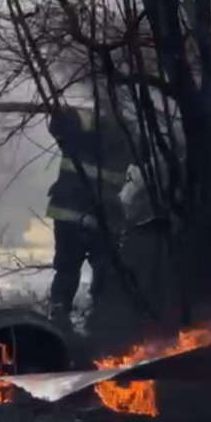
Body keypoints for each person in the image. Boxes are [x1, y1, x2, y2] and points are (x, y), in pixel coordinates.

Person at [46, 100, 135, 329]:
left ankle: (72, 315)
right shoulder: (86, 128)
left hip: (85, 213)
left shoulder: (118, 135)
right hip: (86, 213)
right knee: (93, 266)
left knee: (90, 268)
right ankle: (84, 316)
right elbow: (62, 123)